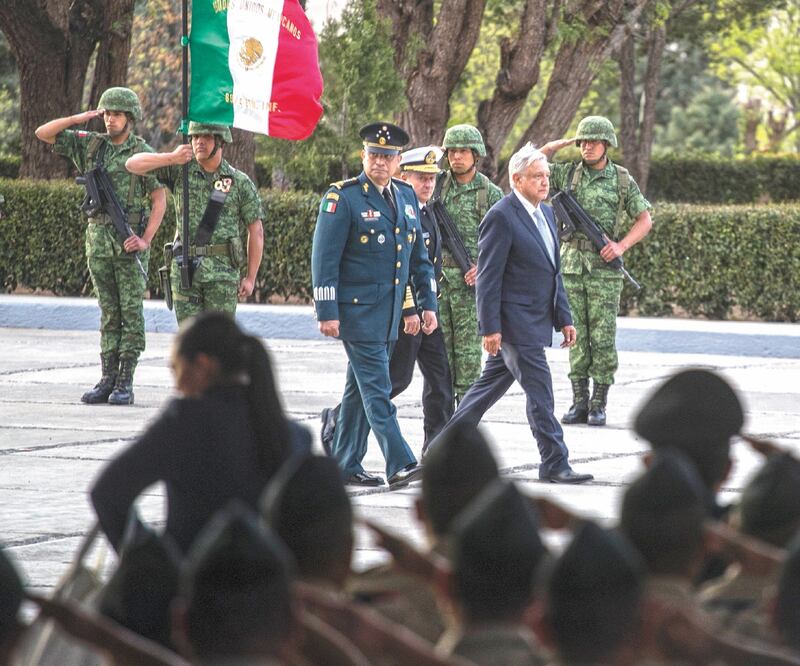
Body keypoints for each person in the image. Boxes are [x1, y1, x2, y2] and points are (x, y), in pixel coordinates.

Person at [430, 144, 593, 484]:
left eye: (547, 176)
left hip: (536, 320)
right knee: (540, 393)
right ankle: (554, 462)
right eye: (537, 176)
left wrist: (565, 317)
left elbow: (553, 272)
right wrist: (490, 328)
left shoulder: (546, 214)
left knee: (482, 392)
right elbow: (489, 277)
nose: (545, 182)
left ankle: (439, 450)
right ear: (517, 179)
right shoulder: (501, 216)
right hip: (514, 325)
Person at [90, 312, 309, 554]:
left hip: (196, 585)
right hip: (274, 585)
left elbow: (108, 492)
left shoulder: (184, 422)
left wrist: (154, 564)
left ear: (202, 365)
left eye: (176, 369)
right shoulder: (296, 436)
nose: (176, 385)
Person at [311, 122, 438, 488]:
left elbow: (419, 259)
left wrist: (426, 305)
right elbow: (325, 259)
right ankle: (399, 462)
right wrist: (327, 311)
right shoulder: (344, 197)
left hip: (389, 314)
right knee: (378, 390)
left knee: (357, 392)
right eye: (374, 155)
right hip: (357, 314)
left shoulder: (406, 196)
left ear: (398, 161)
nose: (380, 162)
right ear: (363, 157)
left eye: (387, 157)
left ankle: (345, 462)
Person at [35, 87, 167, 406]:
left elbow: (159, 199)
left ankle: (125, 380)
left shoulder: (141, 152)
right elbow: (43, 133)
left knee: (130, 314)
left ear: (130, 118)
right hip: (98, 243)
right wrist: (80, 118)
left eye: (117, 114)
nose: (110, 120)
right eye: (106, 113)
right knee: (108, 314)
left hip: (129, 245)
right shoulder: (92, 146)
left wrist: (146, 239)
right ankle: (107, 377)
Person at [542, 115, 653, 426]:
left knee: (603, 338)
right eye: (582, 142)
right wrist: (552, 147)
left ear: (607, 145)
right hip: (571, 267)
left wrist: (620, 246)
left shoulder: (621, 179)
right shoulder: (567, 174)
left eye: (593, 142)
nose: (586, 147)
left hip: (604, 270)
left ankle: (598, 402)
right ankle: (578, 400)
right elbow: (528, 167)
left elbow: (645, 220)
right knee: (574, 334)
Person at [125, 122, 264, 323]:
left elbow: (256, 231)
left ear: (220, 141)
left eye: (206, 137)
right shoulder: (180, 172)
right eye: (195, 137)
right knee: (190, 342)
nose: (199, 142)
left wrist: (250, 278)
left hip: (222, 275)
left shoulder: (238, 182)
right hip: (185, 271)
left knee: (219, 342)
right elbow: (132, 165)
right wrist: (171, 157)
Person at [437, 124, 504, 403]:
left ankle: (463, 425)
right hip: (438, 284)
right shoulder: (436, 185)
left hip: (470, 288)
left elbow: (503, 243)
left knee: (466, 359)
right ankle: (440, 423)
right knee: (438, 360)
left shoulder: (490, 194)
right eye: (452, 151)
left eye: (463, 151)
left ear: (476, 154)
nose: (456, 157)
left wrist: (483, 267)